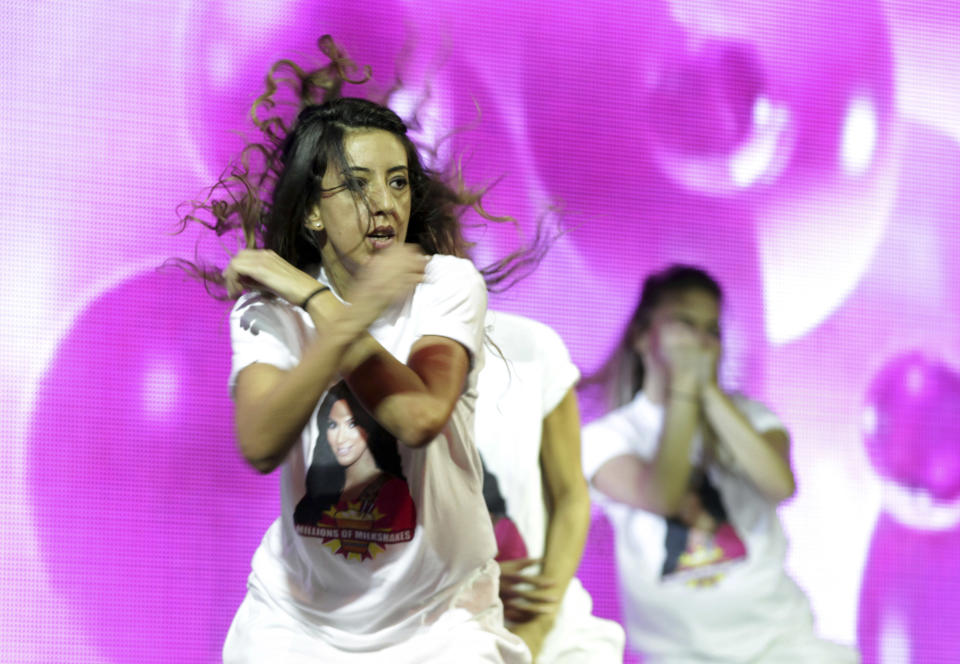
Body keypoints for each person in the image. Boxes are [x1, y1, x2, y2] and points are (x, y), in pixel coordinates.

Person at [184, 37, 530, 663]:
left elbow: (419, 418)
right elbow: (261, 444)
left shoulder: (446, 285)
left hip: (441, 618)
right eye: (356, 185)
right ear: (314, 215)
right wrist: (335, 308)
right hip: (296, 620)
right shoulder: (268, 308)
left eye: (398, 183)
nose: (385, 204)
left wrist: (324, 306)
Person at [581, 265, 859, 663]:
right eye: (684, 325)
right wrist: (683, 390)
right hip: (676, 654)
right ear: (644, 336)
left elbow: (781, 487)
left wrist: (707, 391)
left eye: (712, 330)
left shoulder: (752, 416)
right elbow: (662, 495)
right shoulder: (606, 437)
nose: (700, 340)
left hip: (781, 644)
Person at [475, 310, 625, 662]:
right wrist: (461, 585)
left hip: (542, 622)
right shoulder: (351, 343)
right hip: (423, 627)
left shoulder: (529, 345)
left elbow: (571, 496)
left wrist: (537, 627)